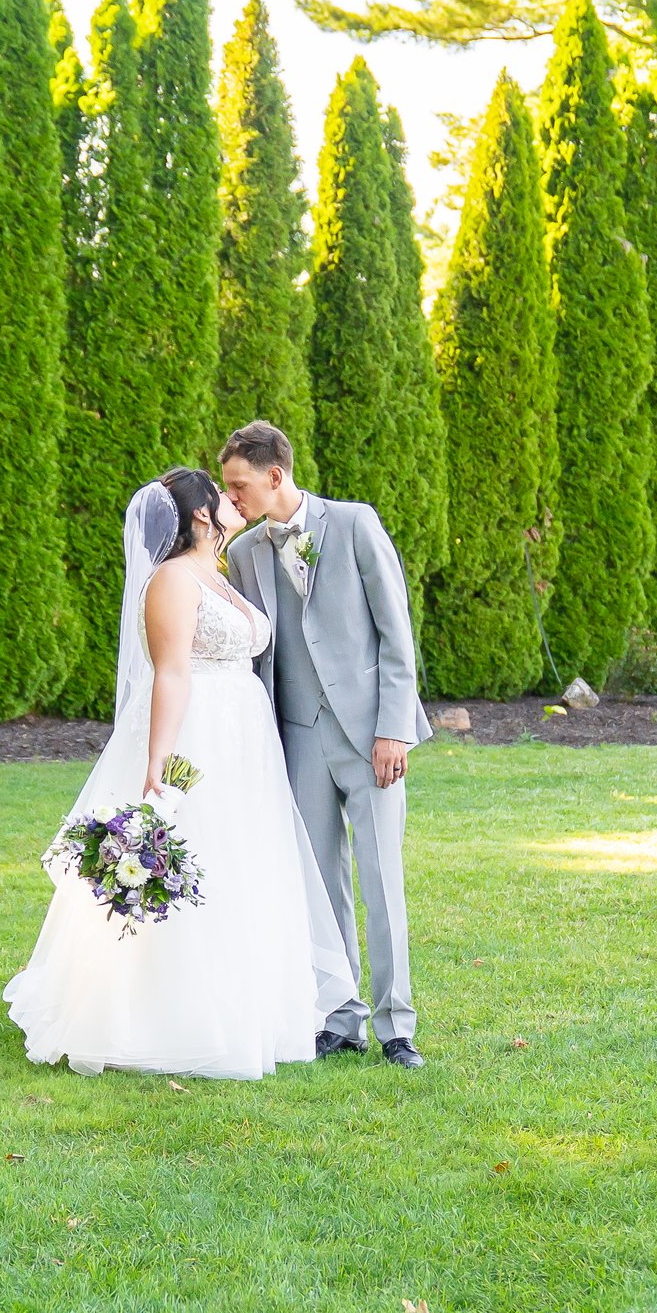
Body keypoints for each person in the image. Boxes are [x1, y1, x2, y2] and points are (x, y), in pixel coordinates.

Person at [3, 469, 355, 1079]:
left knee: (242, 865)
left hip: (244, 741)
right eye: (222, 495)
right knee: (200, 860)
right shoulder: (170, 580)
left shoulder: (215, 573)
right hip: (199, 736)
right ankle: (170, 1018)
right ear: (200, 515)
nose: (233, 499)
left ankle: (246, 1009)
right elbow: (170, 672)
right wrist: (158, 762)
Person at [219, 421, 432, 1069]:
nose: (232, 497)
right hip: (298, 735)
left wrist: (394, 728)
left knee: (381, 880)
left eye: (240, 485)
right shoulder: (246, 552)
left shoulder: (355, 524)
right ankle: (341, 1018)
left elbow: (396, 632)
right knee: (320, 883)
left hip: (370, 734)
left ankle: (397, 1027)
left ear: (275, 475)